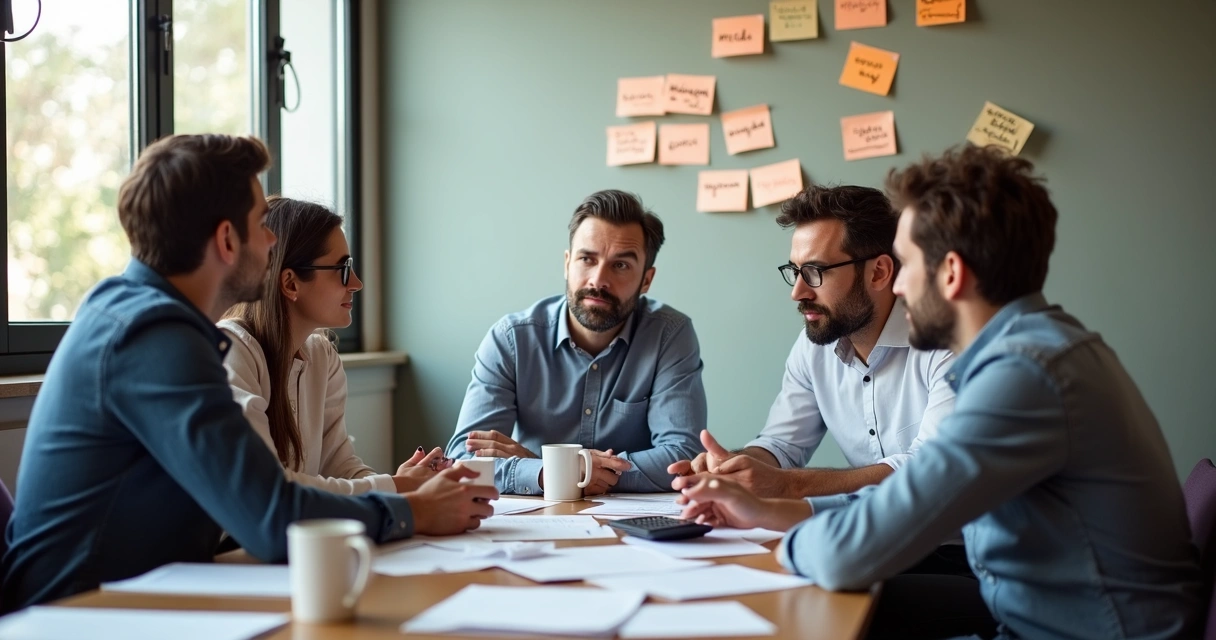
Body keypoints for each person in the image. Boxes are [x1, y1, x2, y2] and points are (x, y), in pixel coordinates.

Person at [677, 145, 1204, 639]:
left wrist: (782, 521)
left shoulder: (1024, 374)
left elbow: (850, 552)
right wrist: (767, 511)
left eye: (906, 265)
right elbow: (908, 499)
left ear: (950, 273)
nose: (899, 286)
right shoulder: (1034, 350)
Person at [1, 134, 495, 613]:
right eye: (263, 223)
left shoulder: (144, 318)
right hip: (80, 615)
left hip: (141, 598)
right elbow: (270, 516)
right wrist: (415, 511)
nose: (272, 239)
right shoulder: (153, 334)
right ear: (226, 239)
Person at [669, 185, 955, 501]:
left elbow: (929, 470)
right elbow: (781, 445)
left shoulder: (945, 342)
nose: (798, 292)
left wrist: (788, 485)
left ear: (879, 273)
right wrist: (732, 468)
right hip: (869, 533)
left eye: (815, 271)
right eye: (795, 271)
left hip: (950, 543)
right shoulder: (814, 346)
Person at [445, 189, 706, 495]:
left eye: (620, 265)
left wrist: (558, 470)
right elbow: (464, 461)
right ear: (568, 263)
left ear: (646, 280)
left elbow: (682, 457)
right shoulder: (511, 339)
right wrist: (554, 472)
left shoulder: (669, 334)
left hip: (636, 530)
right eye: (587, 259)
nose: (598, 279)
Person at [220, 197, 446, 495]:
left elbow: (339, 468)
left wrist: (406, 487)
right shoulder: (231, 352)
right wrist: (394, 487)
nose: (356, 283)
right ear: (290, 283)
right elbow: (267, 488)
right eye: (342, 269)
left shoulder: (322, 355)